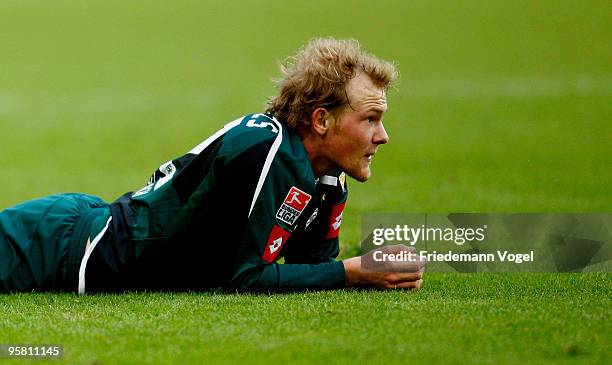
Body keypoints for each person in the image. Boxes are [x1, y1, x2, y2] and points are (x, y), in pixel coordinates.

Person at [0, 38, 425, 294]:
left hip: (81, 231)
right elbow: (246, 279)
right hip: (65, 246)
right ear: (320, 119)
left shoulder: (327, 178)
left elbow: (309, 269)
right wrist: (353, 273)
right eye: (370, 118)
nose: (382, 135)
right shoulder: (268, 149)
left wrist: (370, 265)